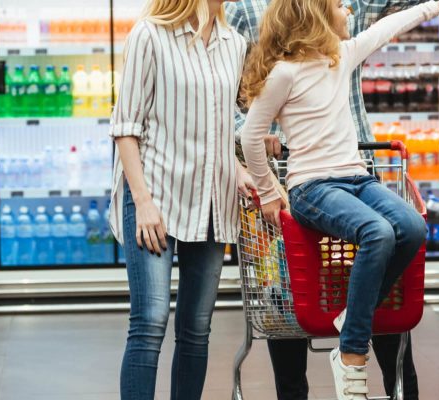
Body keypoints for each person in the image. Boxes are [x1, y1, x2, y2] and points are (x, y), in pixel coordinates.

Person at [238, 1, 439, 399]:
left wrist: (434, 6)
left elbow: (391, 24)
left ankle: (352, 316)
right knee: (377, 232)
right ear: (317, 16)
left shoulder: (343, 56)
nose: (350, 12)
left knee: (412, 226)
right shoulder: (284, 74)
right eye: (340, 6)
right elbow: (250, 136)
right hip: (312, 187)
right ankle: (351, 352)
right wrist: (271, 191)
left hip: (356, 178)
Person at [107, 0, 254, 399]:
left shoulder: (234, 44)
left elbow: (221, 130)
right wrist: (143, 203)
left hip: (210, 201)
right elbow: (125, 127)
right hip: (154, 195)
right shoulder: (150, 35)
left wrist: (241, 173)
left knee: (195, 328)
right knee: (150, 320)